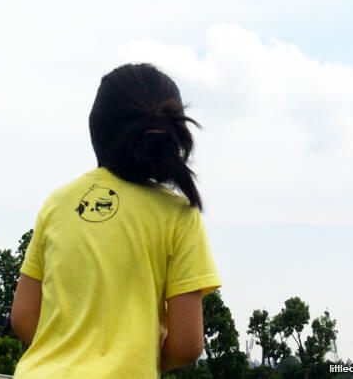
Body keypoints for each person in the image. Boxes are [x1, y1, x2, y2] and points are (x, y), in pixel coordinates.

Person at [11, 63, 221, 378]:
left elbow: (24, 317)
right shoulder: (179, 215)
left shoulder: (58, 203)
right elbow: (187, 344)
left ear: (96, 128)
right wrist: (131, 354)